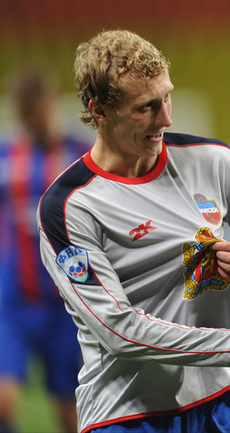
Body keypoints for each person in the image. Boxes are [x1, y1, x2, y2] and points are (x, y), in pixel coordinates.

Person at [37, 29, 230, 433]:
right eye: (145, 107)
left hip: (222, 402)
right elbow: (118, 329)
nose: (166, 118)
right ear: (99, 111)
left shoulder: (213, 161)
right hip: (126, 412)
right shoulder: (69, 205)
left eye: (166, 97)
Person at [0, 66, 90, 433]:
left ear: (51, 105)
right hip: (14, 300)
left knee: (70, 412)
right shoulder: (7, 154)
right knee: (3, 401)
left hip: (64, 301)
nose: (30, 123)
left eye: (34, 113)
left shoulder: (81, 155)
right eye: (23, 116)